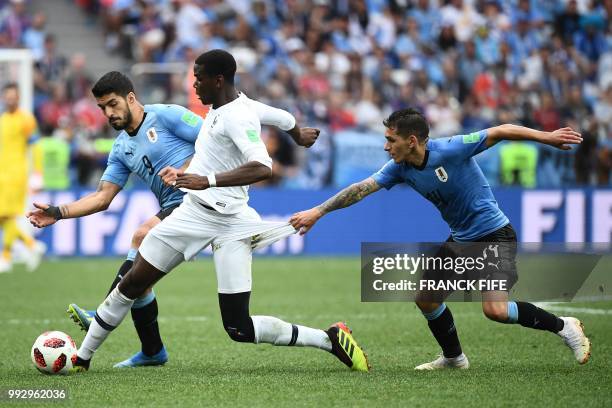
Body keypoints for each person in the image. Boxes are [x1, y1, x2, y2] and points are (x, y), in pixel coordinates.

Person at [42, 50, 369, 373]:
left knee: (238, 327)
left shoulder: (234, 116)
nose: (193, 85)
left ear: (218, 79)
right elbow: (280, 116)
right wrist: (298, 133)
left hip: (231, 223)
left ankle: (328, 338)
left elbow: (262, 167)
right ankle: (82, 359)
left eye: (198, 79)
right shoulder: (227, 106)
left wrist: (203, 179)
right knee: (130, 284)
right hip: (191, 214)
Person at [290, 108, 590, 370]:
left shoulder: (451, 149)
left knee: (495, 311)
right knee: (426, 298)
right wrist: (318, 211)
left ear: (411, 141)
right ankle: (454, 358)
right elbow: (360, 189)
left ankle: (565, 326)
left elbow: (501, 130)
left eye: (390, 140)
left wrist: (547, 137)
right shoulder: (399, 168)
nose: (385, 146)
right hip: (462, 239)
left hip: (494, 235)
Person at [0, 83, 46, 273]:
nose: (10, 99)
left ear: (18, 98)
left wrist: (37, 172)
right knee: (3, 217)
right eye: (7, 96)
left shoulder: (26, 119)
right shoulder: (3, 119)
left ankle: (6, 257)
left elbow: (35, 147)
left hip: (16, 175)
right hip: (2, 174)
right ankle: (32, 245)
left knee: (7, 215)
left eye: (13, 96)